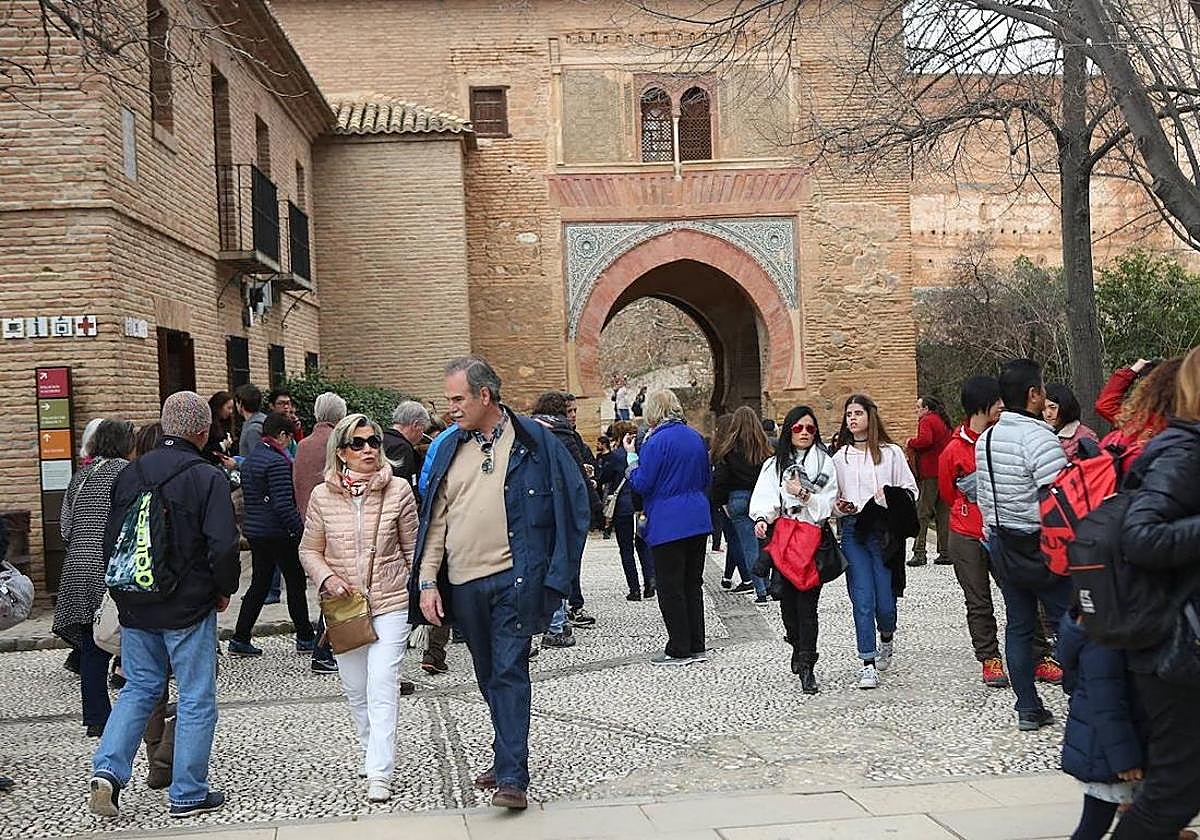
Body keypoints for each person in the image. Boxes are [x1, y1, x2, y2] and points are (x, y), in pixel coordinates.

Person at [415, 357, 589, 810]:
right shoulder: (449, 447)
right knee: (488, 672)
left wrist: (558, 575)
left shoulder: (535, 442)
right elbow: (435, 520)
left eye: (458, 399)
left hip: (515, 578)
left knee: (510, 670)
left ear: (485, 396)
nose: (451, 408)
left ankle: (513, 775)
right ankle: (504, 753)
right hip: (463, 583)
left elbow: (574, 506)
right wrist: (428, 581)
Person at [89, 391, 240, 819]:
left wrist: (120, 591)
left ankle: (108, 771)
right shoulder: (207, 476)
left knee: (138, 688)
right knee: (195, 697)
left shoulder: (130, 473)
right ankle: (188, 792)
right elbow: (224, 545)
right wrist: (223, 588)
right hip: (188, 605)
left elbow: (110, 539)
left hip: (136, 601)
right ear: (202, 430)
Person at [299, 413, 418, 804]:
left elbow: (412, 550)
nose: (368, 449)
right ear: (342, 452)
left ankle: (380, 772)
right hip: (344, 606)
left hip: (390, 600)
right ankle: (373, 754)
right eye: (358, 443)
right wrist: (327, 578)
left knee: (382, 682)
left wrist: (423, 589)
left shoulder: (398, 490)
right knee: (355, 688)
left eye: (373, 442)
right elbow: (309, 550)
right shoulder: (322, 495)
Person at [1110, 346, 1200, 839]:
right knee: (1176, 788)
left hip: (1178, 642)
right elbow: (1142, 536)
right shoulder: (1185, 452)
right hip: (1176, 647)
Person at [975, 358, 1070, 731]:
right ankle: (1081, 696)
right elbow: (1058, 499)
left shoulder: (987, 439)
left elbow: (984, 494)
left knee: (1018, 624)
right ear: (1033, 394)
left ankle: (1027, 707)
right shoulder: (1040, 438)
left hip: (1002, 542)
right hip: (1042, 544)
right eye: (1042, 388)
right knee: (1067, 621)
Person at [832, 394, 918, 690]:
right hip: (854, 530)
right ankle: (867, 660)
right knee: (862, 596)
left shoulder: (892, 453)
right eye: (848, 414)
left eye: (857, 413)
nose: (852, 418)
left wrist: (889, 497)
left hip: (883, 532)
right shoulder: (839, 457)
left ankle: (887, 634)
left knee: (885, 599)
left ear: (870, 416)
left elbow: (911, 490)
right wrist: (838, 507)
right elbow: (831, 497)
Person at [750, 406, 838, 693]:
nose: (804, 433)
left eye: (810, 428)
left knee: (807, 605)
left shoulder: (824, 464)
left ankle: (808, 662)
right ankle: (796, 643)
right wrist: (762, 518)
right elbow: (765, 497)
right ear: (789, 430)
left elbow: (827, 504)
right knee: (787, 603)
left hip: (812, 539)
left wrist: (802, 493)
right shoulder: (774, 465)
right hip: (785, 538)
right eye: (798, 428)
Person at [54, 419, 134, 736]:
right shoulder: (125, 474)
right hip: (107, 565)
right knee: (122, 636)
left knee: (91, 645)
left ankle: (97, 718)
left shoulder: (80, 477)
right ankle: (134, 710)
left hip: (76, 567)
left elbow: (65, 528)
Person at [625, 389, 713, 666]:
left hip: (667, 520)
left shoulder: (655, 441)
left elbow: (642, 482)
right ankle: (697, 643)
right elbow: (704, 477)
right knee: (692, 583)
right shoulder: (695, 437)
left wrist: (631, 461)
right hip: (697, 516)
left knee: (670, 586)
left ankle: (678, 647)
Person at [229, 413, 315, 658]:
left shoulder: (253, 458)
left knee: (260, 583)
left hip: (256, 531)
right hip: (278, 532)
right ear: (283, 435)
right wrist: (300, 531)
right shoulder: (278, 463)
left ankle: (240, 637)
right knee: (295, 582)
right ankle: (306, 636)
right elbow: (283, 504)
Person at [532, 390, 602, 647]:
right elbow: (576, 478)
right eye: (570, 411)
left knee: (546, 564)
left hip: (536, 507)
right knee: (560, 562)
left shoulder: (530, 431)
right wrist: (595, 508)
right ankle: (557, 626)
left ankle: (553, 622)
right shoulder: (562, 433)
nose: (573, 416)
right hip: (559, 508)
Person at [293, 391, 347, 674]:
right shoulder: (338, 443)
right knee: (338, 589)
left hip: (308, 524)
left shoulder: (302, 446)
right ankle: (323, 651)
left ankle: (325, 649)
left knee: (328, 587)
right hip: (337, 524)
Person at [712, 406, 774, 605]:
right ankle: (769, 583)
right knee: (765, 544)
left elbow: (720, 479)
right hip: (762, 497)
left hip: (738, 497)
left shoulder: (729, 449)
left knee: (749, 546)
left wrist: (722, 503)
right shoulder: (765, 447)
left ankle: (760, 591)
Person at [600, 420, 655, 600]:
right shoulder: (642, 453)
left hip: (623, 508)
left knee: (626, 549)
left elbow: (605, 477)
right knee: (643, 544)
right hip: (640, 506)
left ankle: (634, 589)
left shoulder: (615, 456)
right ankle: (650, 582)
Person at [906, 395, 952, 567]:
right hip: (944, 472)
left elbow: (925, 440)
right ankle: (945, 552)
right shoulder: (942, 421)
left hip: (930, 472)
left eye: (918, 407)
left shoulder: (926, 420)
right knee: (943, 513)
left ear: (926, 408)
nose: (916, 410)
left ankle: (919, 552)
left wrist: (911, 442)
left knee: (922, 513)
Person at [383, 400, 431, 491]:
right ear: (415, 424)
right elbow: (403, 486)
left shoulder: (379, 439)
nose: (422, 436)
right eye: (422, 430)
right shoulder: (402, 448)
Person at [1044, 383, 1098, 461]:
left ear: (1065, 406)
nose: (1047, 414)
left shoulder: (1085, 436)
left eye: (1053, 408)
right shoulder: (1040, 434)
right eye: (1043, 408)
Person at [203, 392, 237, 469]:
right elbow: (205, 450)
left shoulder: (226, 422)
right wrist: (222, 445)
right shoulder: (208, 424)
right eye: (228, 408)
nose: (231, 411)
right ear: (219, 406)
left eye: (232, 408)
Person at [236, 384, 266, 458]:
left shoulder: (253, 430)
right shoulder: (265, 420)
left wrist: (236, 463)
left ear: (240, 403)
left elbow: (257, 460)